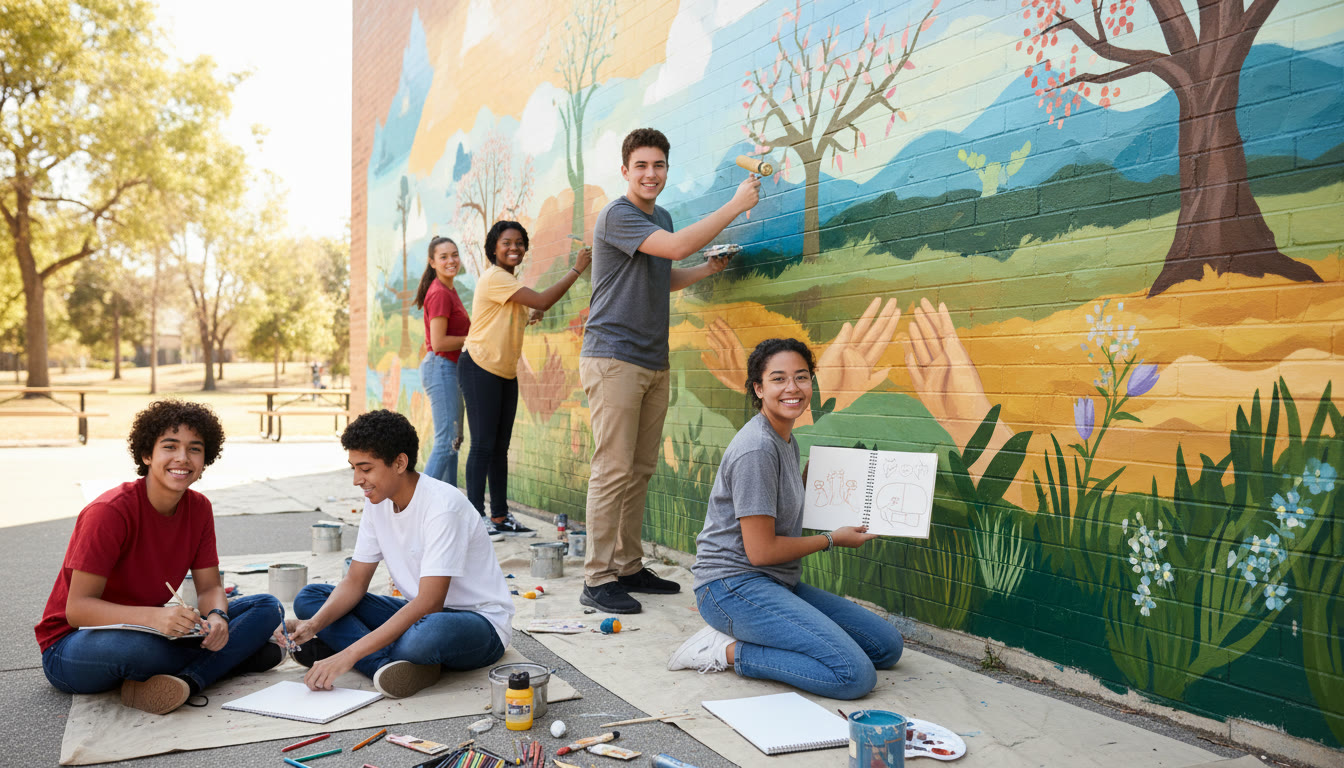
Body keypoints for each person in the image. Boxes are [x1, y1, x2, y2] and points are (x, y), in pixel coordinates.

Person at [579, 127, 760, 614]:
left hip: (650, 359)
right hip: (613, 358)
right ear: (625, 171)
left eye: (658, 165)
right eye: (641, 165)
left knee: (638, 470)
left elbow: (666, 272)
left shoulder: (660, 217)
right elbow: (677, 248)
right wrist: (736, 204)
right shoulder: (618, 215)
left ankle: (628, 565)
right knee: (612, 470)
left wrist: (708, 270)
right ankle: (597, 579)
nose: (650, 173)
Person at [667, 338, 904, 700]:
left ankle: (772, 631)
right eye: (778, 379)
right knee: (854, 676)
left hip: (776, 583)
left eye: (802, 377)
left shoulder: (785, 439)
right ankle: (725, 650)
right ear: (759, 389)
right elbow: (761, 551)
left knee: (886, 647)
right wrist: (832, 538)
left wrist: (819, 484)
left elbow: (779, 513)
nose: (793, 388)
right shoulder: (757, 449)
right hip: (731, 587)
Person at [36, 400, 284, 715]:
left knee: (267, 606)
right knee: (142, 650)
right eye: (170, 446)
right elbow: (78, 610)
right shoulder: (109, 513)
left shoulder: (199, 508)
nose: (182, 458)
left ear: (205, 459)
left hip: (148, 629)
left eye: (194, 449)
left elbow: (209, 588)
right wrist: (156, 617)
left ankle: (187, 681)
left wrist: (218, 618)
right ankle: (238, 657)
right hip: (75, 645)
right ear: (147, 454)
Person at [277, 409, 514, 699]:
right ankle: (389, 667)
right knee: (311, 599)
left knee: (424, 637)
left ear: (400, 462)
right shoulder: (378, 502)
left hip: (475, 624)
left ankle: (354, 652)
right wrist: (314, 625)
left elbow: (430, 603)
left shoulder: (443, 507)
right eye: (353, 468)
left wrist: (348, 654)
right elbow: (355, 581)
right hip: (416, 613)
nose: (356, 479)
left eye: (365, 469)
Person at [459, 220, 591, 536]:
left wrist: (532, 312)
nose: (514, 247)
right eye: (507, 242)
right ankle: (475, 520)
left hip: (504, 371)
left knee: (499, 447)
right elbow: (543, 299)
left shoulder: (508, 284)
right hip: (479, 367)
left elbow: (526, 307)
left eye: (519, 243)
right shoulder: (495, 278)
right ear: (493, 248)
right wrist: (576, 270)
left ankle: (501, 517)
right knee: (482, 446)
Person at [414, 236, 470, 491]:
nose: (451, 261)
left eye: (454, 255)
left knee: (454, 442)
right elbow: (438, 342)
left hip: (450, 369)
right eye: (444, 256)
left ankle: (448, 508)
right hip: (441, 367)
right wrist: (472, 340)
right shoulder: (439, 293)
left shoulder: (449, 289)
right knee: (447, 440)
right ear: (432, 262)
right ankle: (418, 508)